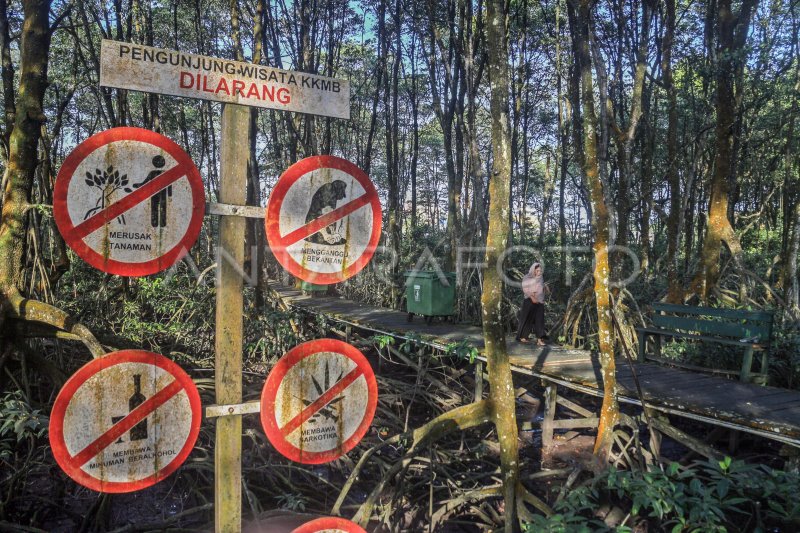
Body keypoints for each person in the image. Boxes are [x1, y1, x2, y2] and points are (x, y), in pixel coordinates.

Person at [516, 262, 547, 346]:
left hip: (539, 301)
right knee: (527, 319)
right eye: (537, 271)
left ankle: (540, 340)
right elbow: (525, 288)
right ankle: (523, 337)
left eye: (540, 271)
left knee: (540, 320)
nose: (539, 272)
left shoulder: (540, 277)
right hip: (529, 300)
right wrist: (532, 297)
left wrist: (545, 288)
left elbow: (540, 287)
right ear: (533, 270)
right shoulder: (527, 277)